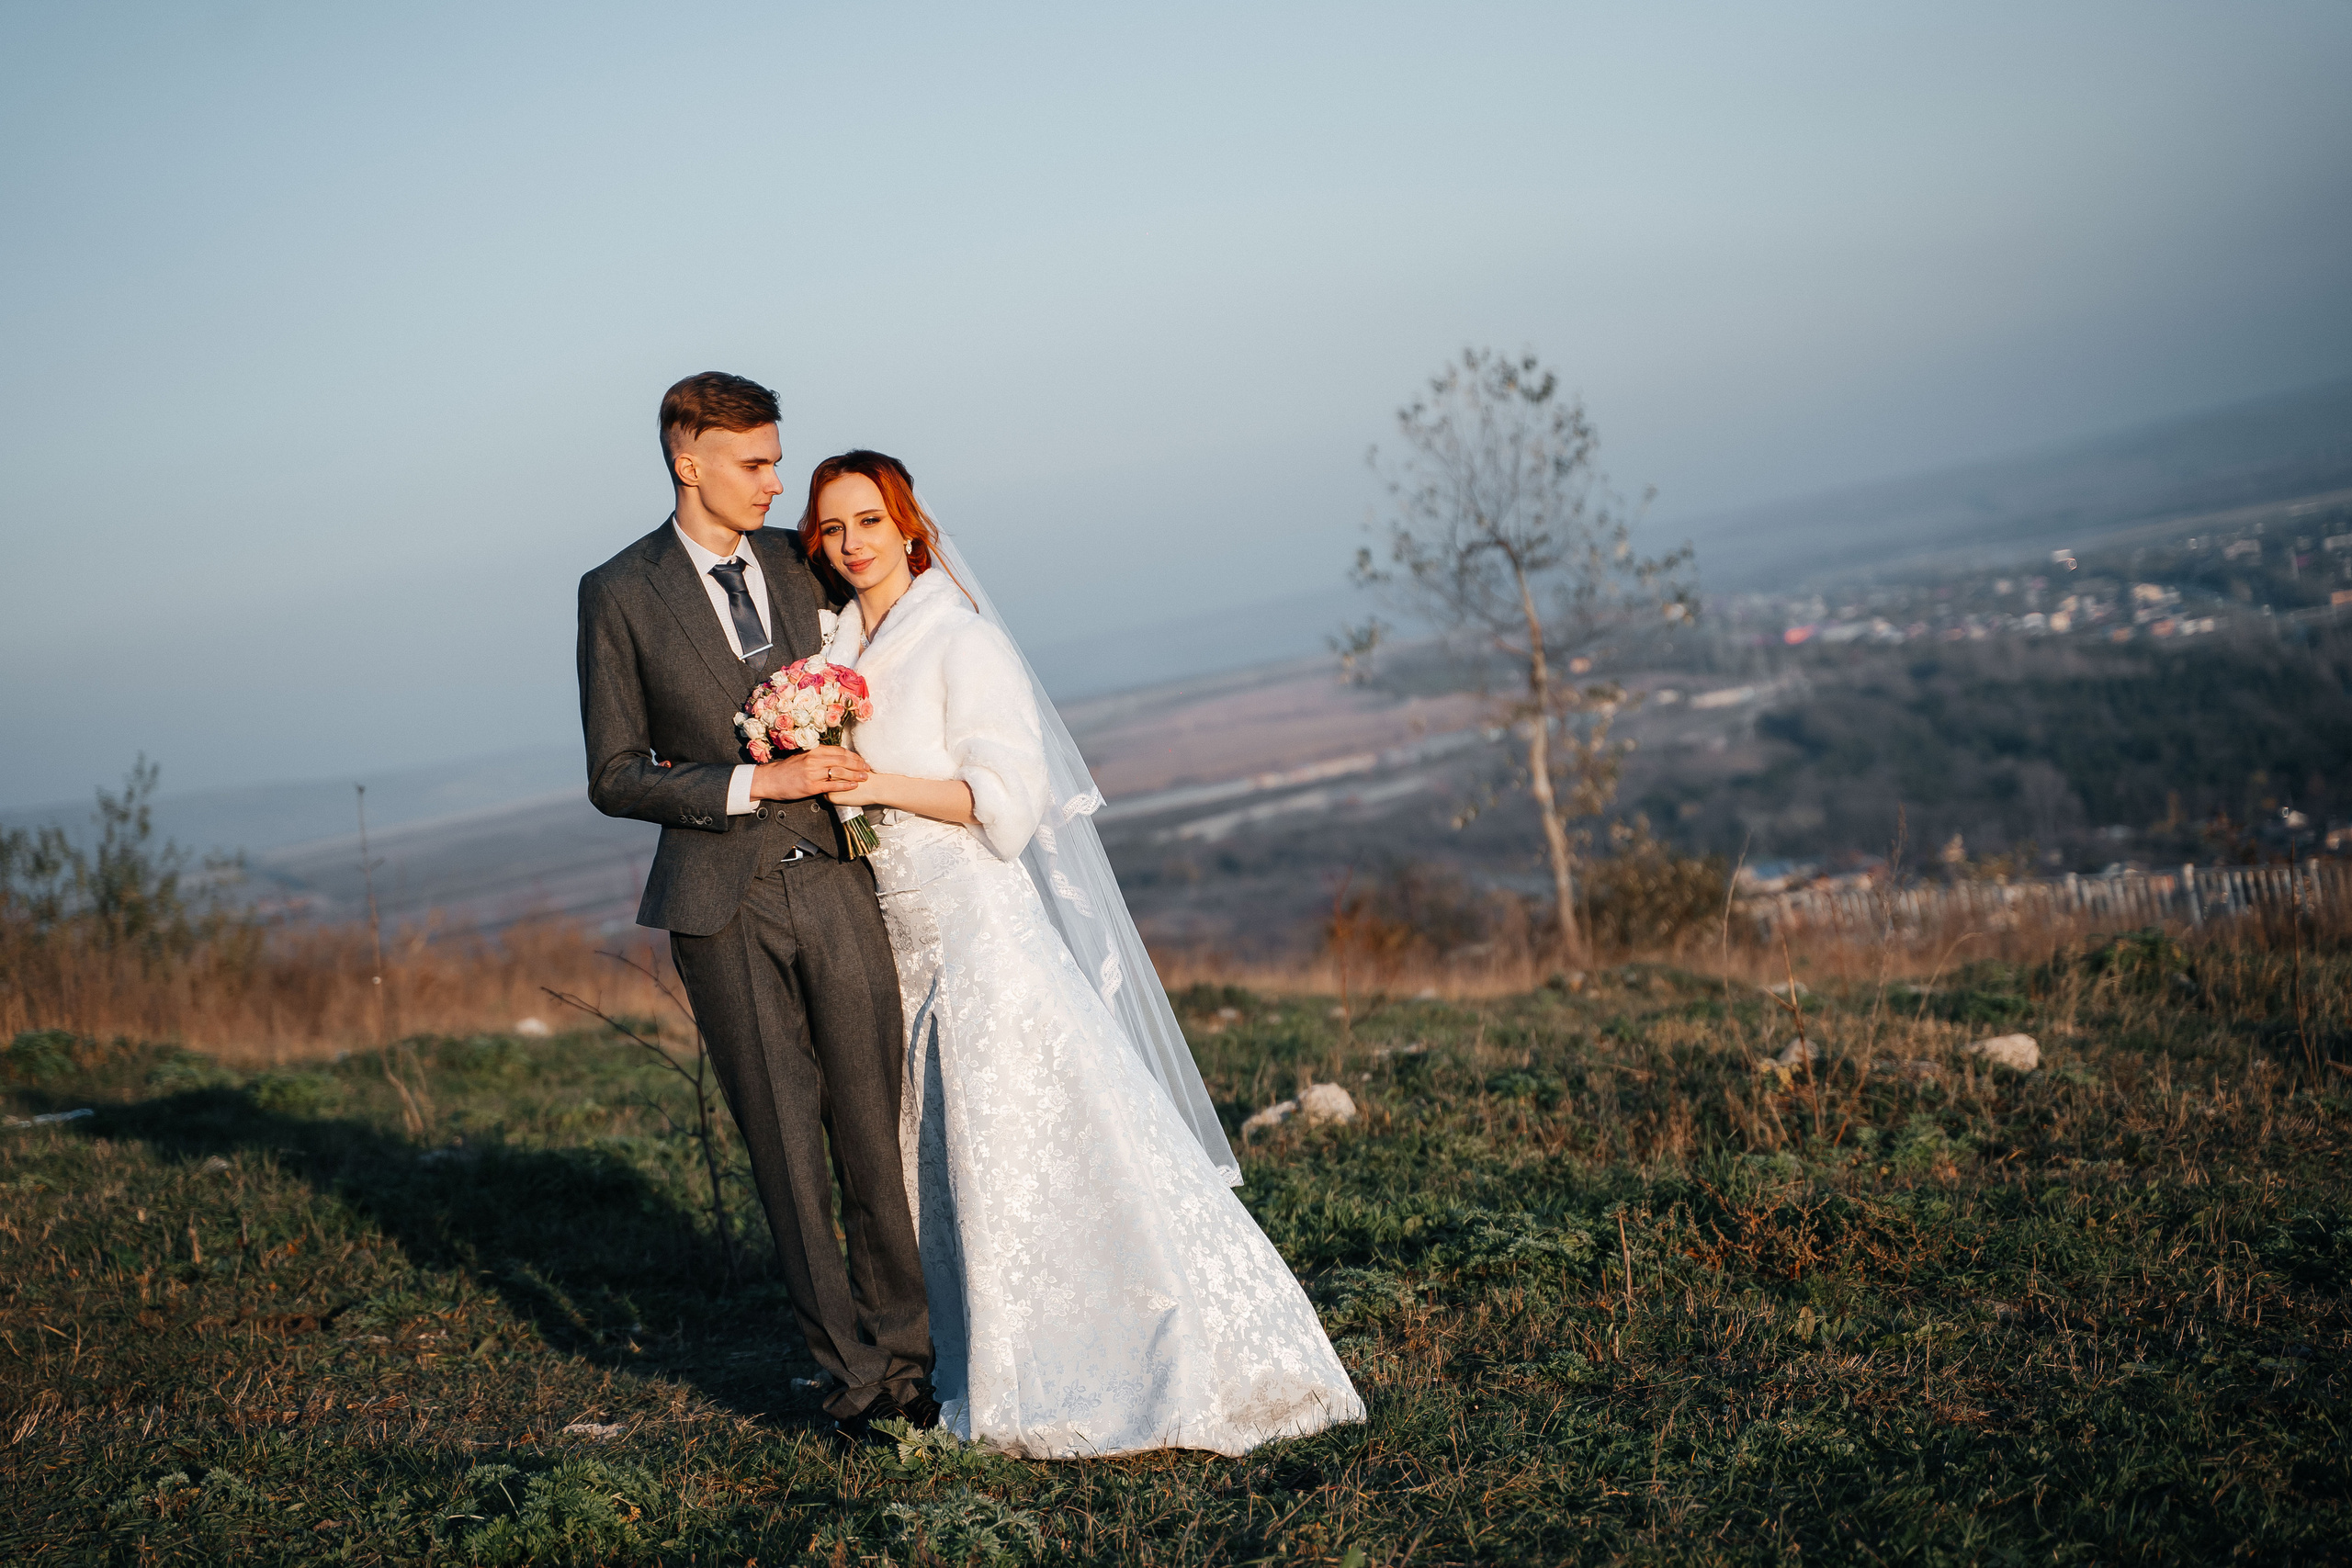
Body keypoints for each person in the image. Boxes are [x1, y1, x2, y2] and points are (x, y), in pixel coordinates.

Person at [801, 449, 1366, 1458]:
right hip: (897, 936)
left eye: (868, 523)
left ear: (909, 526)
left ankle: (1142, 1359)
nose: (850, 545)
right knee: (948, 1155)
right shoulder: (838, 649)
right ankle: (993, 1355)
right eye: (832, 529)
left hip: (978, 929)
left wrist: (875, 783)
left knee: (1036, 1138)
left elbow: (1006, 807)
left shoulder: (959, 640)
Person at [575, 376, 935, 1449]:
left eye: (777, 462)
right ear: (688, 461)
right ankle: (853, 1384)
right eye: (755, 464)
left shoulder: (796, 558)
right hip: (716, 900)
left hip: (835, 876)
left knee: (875, 1131)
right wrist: (747, 785)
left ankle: (913, 1363)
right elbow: (613, 772)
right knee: (783, 1145)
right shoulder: (617, 590)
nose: (778, 483)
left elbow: (905, 620)